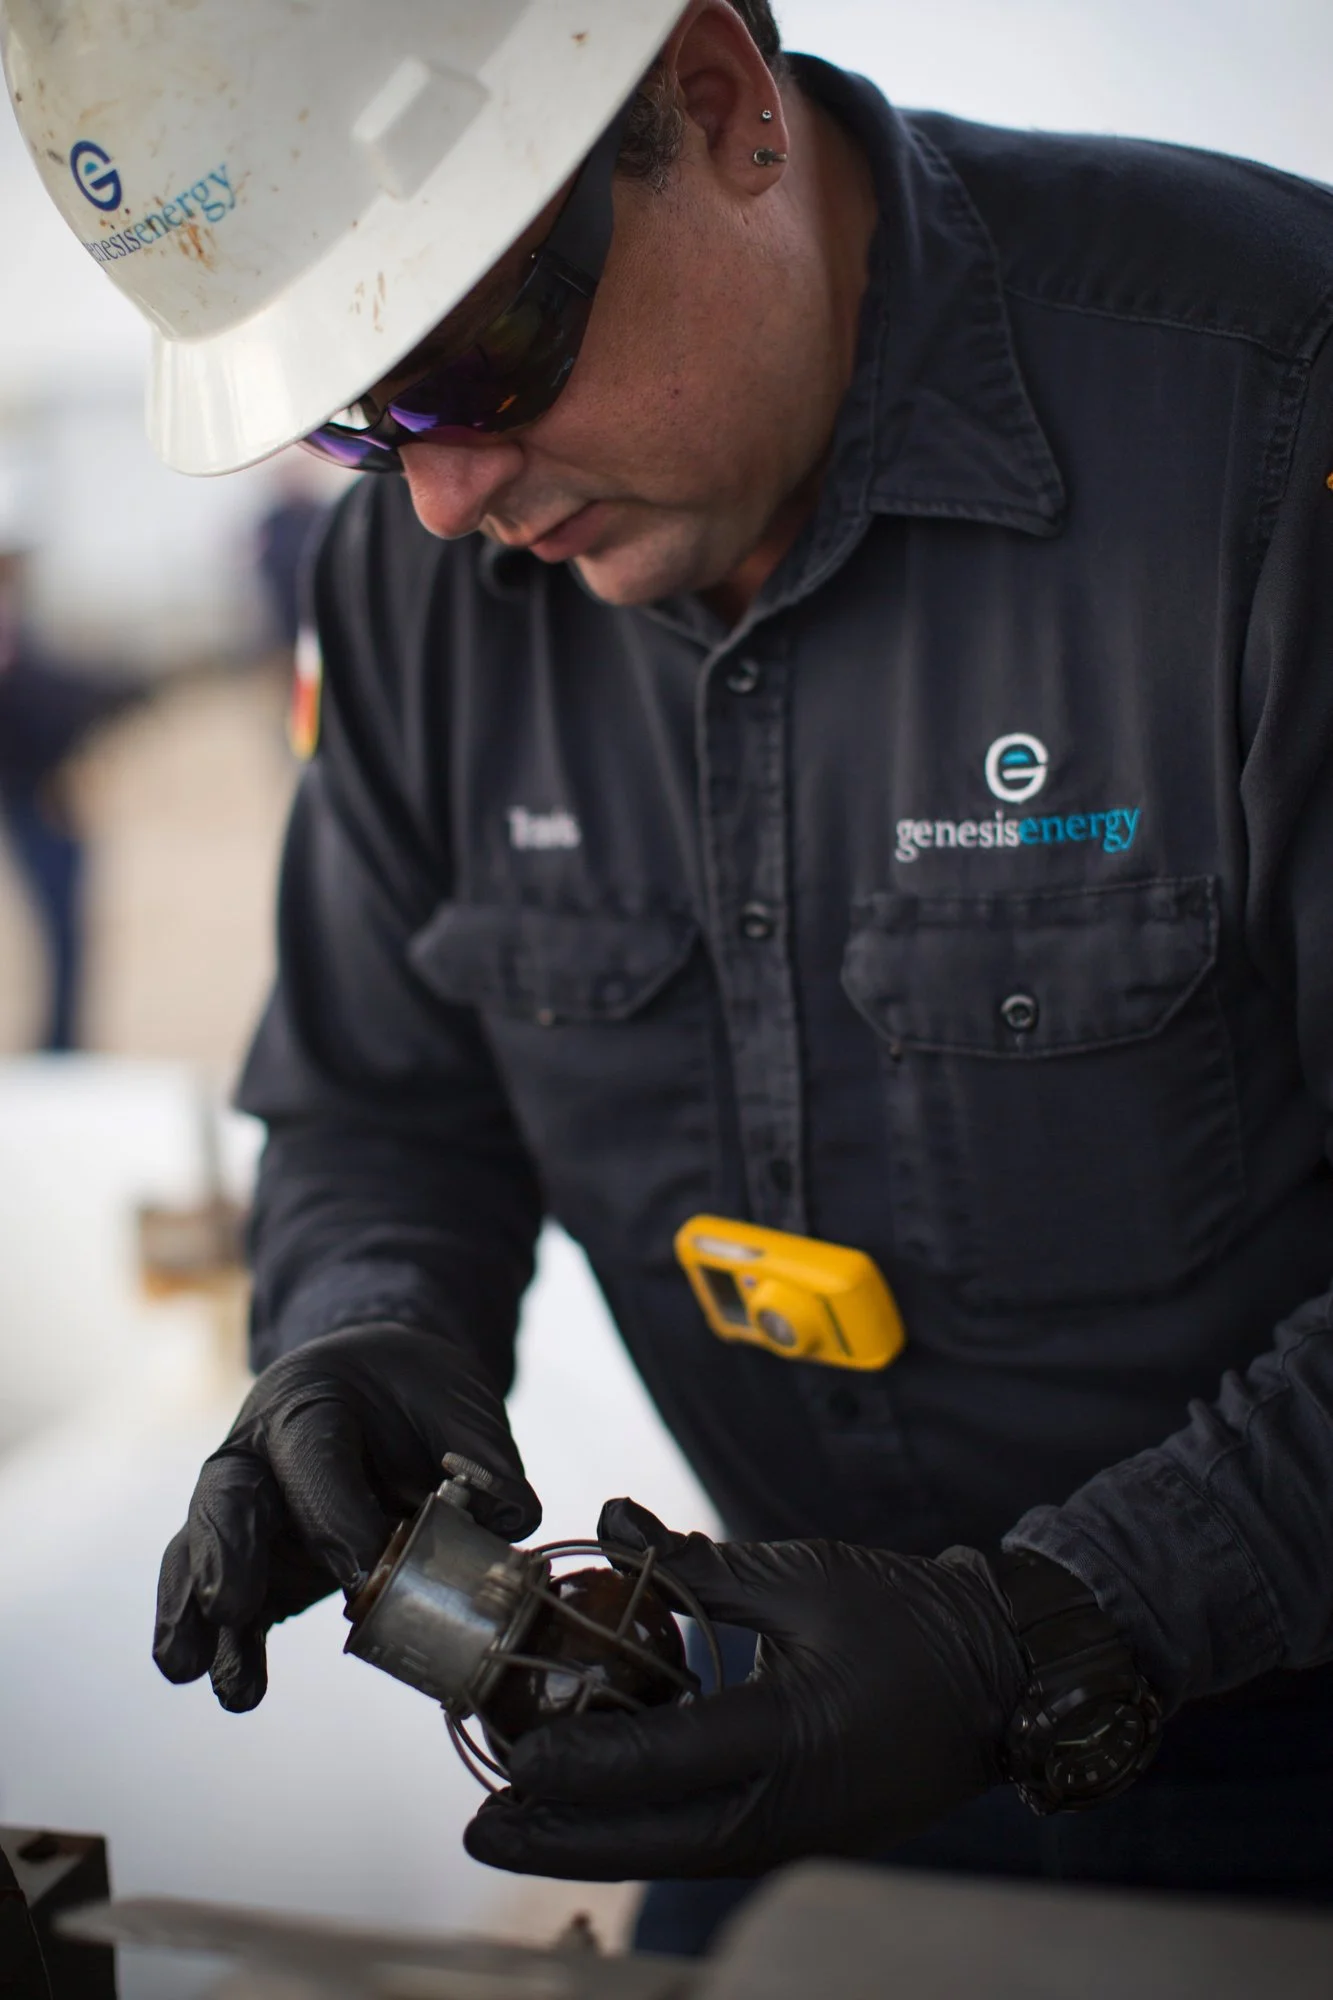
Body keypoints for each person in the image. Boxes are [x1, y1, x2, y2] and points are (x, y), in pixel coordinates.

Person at [11, 0, 1333, 1949]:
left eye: (464, 349)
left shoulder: (1268, 420)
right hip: (816, 1775)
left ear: (715, 102)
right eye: (357, 415)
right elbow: (385, 1099)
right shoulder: (415, 588)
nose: (448, 495)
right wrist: (363, 1324)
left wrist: (1051, 1625)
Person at [0, 545, 141, 1052]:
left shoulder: (23, 628)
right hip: (35, 795)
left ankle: (62, 1044)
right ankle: (59, 1048)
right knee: (61, 929)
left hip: (45, 789)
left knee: (69, 934)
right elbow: (31, 703)